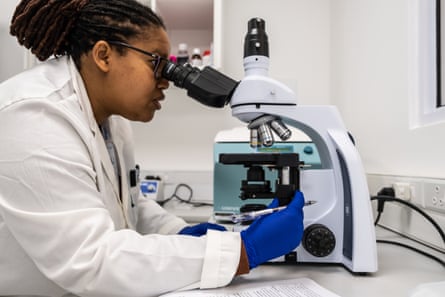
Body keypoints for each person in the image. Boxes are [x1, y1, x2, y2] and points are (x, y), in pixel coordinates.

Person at [0, 0, 305, 296]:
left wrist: (178, 232)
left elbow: (129, 205)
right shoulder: (35, 115)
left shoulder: (112, 122)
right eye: (157, 63)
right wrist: (242, 251)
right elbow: (92, 260)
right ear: (104, 55)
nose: (167, 81)